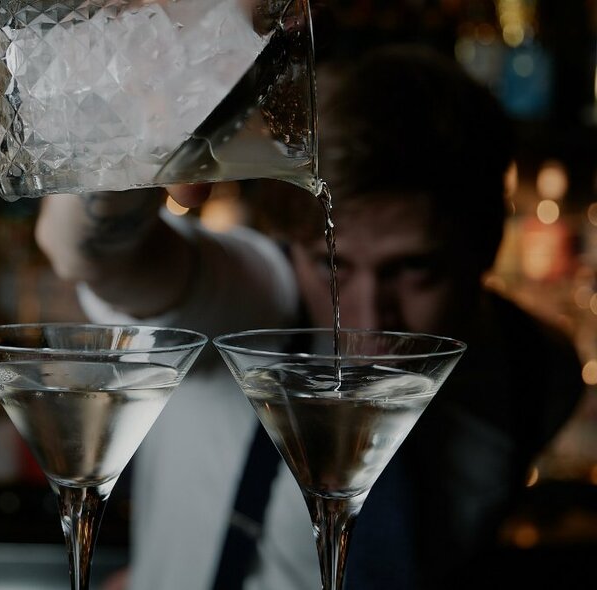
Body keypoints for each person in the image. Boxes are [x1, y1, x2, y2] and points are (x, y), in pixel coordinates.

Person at [34, 45, 584, 589]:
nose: (368, 318)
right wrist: (149, 115)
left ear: (483, 249)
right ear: (292, 245)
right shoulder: (250, 300)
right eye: (333, 264)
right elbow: (85, 251)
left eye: (414, 269)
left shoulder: (541, 371)